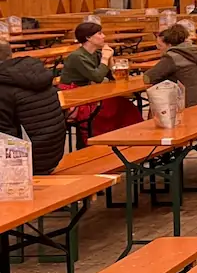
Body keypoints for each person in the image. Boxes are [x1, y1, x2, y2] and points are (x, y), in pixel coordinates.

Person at [0, 42, 67, 174]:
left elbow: (5, 137)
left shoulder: (4, 86)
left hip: (28, 163)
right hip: (53, 154)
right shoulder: (35, 74)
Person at [142, 24, 197, 107]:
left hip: (192, 103)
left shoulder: (172, 57)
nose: (158, 48)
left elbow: (148, 78)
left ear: (169, 45)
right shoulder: (194, 51)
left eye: (160, 46)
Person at [60, 22, 114, 87]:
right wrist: (105, 58)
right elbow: (97, 78)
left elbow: (109, 76)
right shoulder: (77, 56)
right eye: (100, 34)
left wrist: (110, 57)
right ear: (88, 37)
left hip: (88, 88)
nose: (104, 36)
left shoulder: (97, 53)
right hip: (72, 92)